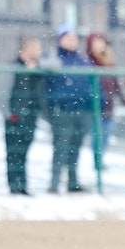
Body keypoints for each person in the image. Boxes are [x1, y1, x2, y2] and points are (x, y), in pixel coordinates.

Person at [43, 23, 94, 193]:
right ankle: (54, 183)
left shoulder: (82, 60)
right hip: (62, 111)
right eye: (67, 38)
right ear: (59, 39)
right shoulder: (52, 59)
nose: (72, 41)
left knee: (76, 147)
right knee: (61, 147)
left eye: (74, 38)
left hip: (82, 110)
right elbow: (45, 86)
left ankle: (73, 181)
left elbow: (92, 84)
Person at [5, 36, 46, 196]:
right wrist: (9, 114)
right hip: (15, 118)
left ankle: (21, 184)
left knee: (23, 153)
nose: (39, 52)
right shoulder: (14, 67)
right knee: (13, 152)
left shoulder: (37, 69)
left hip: (30, 117)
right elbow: (5, 91)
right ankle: (13, 185)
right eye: (36, 48)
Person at [85, 32, 125, 164]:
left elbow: (115, 82)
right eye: (95, 42)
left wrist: (122, 97)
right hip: (95, 106)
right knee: (97, 136)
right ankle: (97, 162)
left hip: (109, 105)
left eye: (101, 42)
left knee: (106, 134)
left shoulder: (109, 61)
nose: (99, 45)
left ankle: (100, 160)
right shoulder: (88, 62)